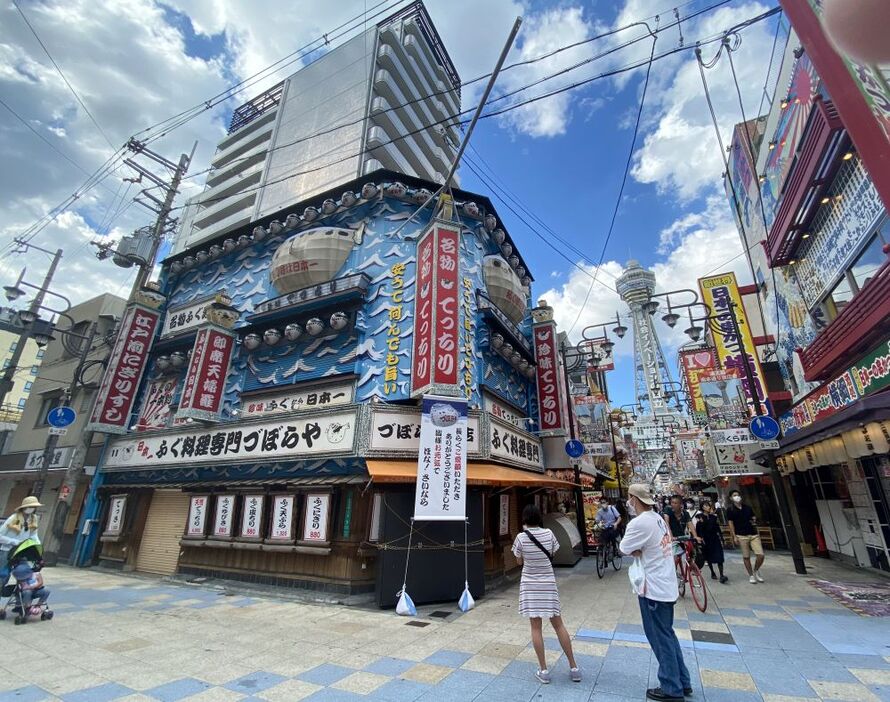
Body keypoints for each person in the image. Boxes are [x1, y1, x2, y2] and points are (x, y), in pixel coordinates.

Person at [621, 484, 691, 702]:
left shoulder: (639, 523)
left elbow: (624, 548)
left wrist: (636, 549)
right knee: (667, 634)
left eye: (630, 499)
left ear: (634, 499)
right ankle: (682, 681)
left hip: (653, 589)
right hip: (664, 585)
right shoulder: (658, 518)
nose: (629, 503)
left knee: (660, 638)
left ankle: (671, 687)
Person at [512, 504, 580, 684]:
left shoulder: (521, 537)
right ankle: (574, 667)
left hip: (530, 584)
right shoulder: (549, 533)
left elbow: (518, 561)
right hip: (548, 583)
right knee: (558, 624)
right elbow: (552, 552)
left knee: (536, 627)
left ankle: (543, 670)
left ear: (525, 519)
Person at [725, 490, 764, 584]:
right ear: (731, 498)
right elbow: (731, 524)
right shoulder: (730, 510)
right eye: (734, 495)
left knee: (761, 555)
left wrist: (754, 521)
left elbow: (753, 518)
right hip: (741, 535)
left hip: (753, 534)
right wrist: (734, 536)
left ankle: (756, 570)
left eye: (738, 495)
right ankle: (751, 575)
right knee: (746, 556)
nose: (737, 497)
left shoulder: (747, 508)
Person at [0, 496, 42, 578]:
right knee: (3, 574)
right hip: (7, 550)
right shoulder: (14, 518)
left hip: (21, 551)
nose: (32, 508)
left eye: (34, 507)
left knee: (23, 573)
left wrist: (38, 545)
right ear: (24, 507)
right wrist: (14, 541)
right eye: (30, 506)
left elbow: (33, 535)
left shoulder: (34, 519)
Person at [696, 501, 727, 583]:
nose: (708, 507)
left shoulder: (713, 517)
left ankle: (721, 575)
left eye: (708, 505)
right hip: (706, 540)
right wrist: (700, 539)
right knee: (708, 557)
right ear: (702, 507)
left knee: (719, 556)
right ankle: (712, 572)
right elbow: (698, 530)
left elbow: (717, 528)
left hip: (715, 539)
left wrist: (722, 538)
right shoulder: (700, 517)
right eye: (706, 506)